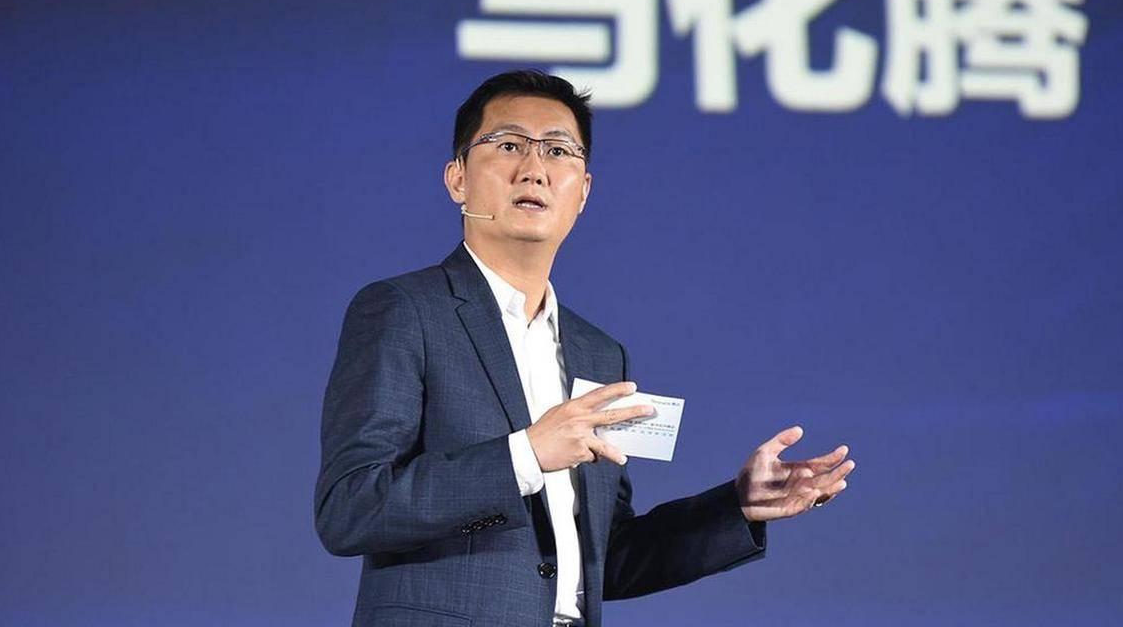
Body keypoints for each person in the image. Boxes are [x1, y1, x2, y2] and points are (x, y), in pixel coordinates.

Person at [314, 70, 855, 627]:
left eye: (557, 151)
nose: (534, 169)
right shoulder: (404, 310)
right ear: (458, 179)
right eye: (509, 145)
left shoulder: (598, 352)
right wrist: (526, 455)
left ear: (584, 192)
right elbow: (351, 507)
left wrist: (738, 506)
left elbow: (607, 557)